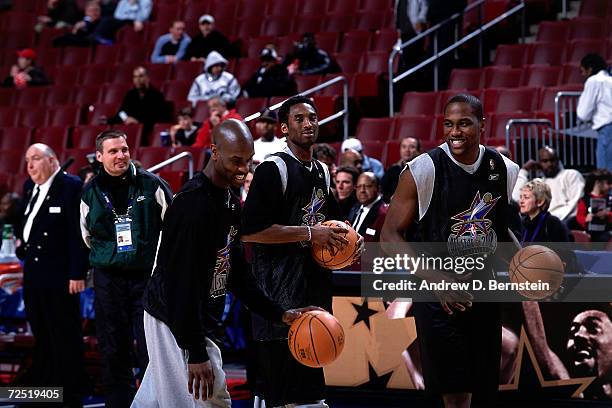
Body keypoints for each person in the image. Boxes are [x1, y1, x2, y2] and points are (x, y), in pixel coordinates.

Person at [133, 120, 321, 407]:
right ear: (214, 151)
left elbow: (236, 273)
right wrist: (196, 353)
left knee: (157, 400)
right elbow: (179, 284)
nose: (243, 169)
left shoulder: (230, 202)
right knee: (207, 400)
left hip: (195, 315)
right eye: (236, 160)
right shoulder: (192, 205)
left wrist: (280, 313)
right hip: (172, 317)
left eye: (248, 161)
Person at [381, 93, 520, 408]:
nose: (455, 132)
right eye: (449, 124)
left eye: (464, 124)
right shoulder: (423, 169)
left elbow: (507, 234)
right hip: (436, 294)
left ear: (482, 125)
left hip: (483, 292)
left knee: (484, 388)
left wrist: (530, 263)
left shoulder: (504, 168)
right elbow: (390, 235)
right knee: (453, 395)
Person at [241, 96, 362, 407]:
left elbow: (334, 224)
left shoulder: (321, 170)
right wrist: (311, 233)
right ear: (283, 127)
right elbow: (251, 231)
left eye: (312, 117)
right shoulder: (272, 169)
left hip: (313, 293)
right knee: (278, 397)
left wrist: (350, 242)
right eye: (299, 119)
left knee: (311, 394)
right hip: (277, 299)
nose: (308, 123)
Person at [80, 130, 172, 407]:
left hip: (147, 277)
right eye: (113, 151)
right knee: (112, 348)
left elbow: (173, 228)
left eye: (124, 149)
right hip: (108, 280)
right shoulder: (90, 193)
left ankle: (153, 402)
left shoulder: (152, 185)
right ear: (99, 156)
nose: (121, 155)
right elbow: (86, 235)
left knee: (150, 347)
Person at [17, 144, 88, 407]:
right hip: (34, 274)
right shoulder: (29, 187)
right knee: (42, 336)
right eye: (27, 161)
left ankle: (69, 394)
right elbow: (26, 222)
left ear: (53, 160)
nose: (30, 166)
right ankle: (45, 392)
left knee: (64, 336)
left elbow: (76, 233)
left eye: (35, 159)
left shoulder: (69, 186)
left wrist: (77, 273)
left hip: (60, 276)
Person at [522, 302, 612, 399]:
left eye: (592, 328)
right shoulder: (575, 395)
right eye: (572, 332)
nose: (578, 335)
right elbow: (542, 349)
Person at [511, 146, 585, 222]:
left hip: (565, 222)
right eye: (545, 161)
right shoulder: (538, 182)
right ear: (539, 163)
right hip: (542, 224)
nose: (550, 164)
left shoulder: (571, 175)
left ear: (558, 161)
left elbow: (574, 204)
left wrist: (551, 220)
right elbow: (515, 198)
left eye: (553, 160)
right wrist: (524, 170)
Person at [108, 66, 171, 136]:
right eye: (135, 77)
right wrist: (126, 118)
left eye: (140, 76)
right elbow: (121, 112)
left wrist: (138, 121)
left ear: (147, 78)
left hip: (147, 132)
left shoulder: (156, 95)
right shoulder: (130, 94)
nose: (137, 79)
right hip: (130, 130)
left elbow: (159, 118)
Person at [576, 53, 612, 170]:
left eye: (583, 71)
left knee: (605, 175)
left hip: (607, 131)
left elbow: (583, 113)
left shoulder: (593, 81)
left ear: (590, 69)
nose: (582, 75)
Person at [518, 179, 572, 243]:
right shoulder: (523, 223)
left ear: (540, 202)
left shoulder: (553, 224)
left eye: (526, 197)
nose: (521, 201)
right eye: (520, 197)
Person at [348, 172, 388, 242]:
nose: (362, 190)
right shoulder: (354, 208)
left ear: (378, 188)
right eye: (359, 186)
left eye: (367, 186)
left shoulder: (384, 213)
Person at [381, 136, 421, 202]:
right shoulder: (392, 169)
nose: (407, 150)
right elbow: (383, 191)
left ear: (418, 150)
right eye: (404, 147)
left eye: (411, 147)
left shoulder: (424, 170)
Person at [575, 169, 611, 242]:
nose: (611, 186)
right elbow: (579, 216)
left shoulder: (610, 199)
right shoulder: (584, 200)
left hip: (607, 231)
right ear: (598, 182)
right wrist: (585, 219)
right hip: (590, 232)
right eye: (608, 183)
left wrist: (608, 214)